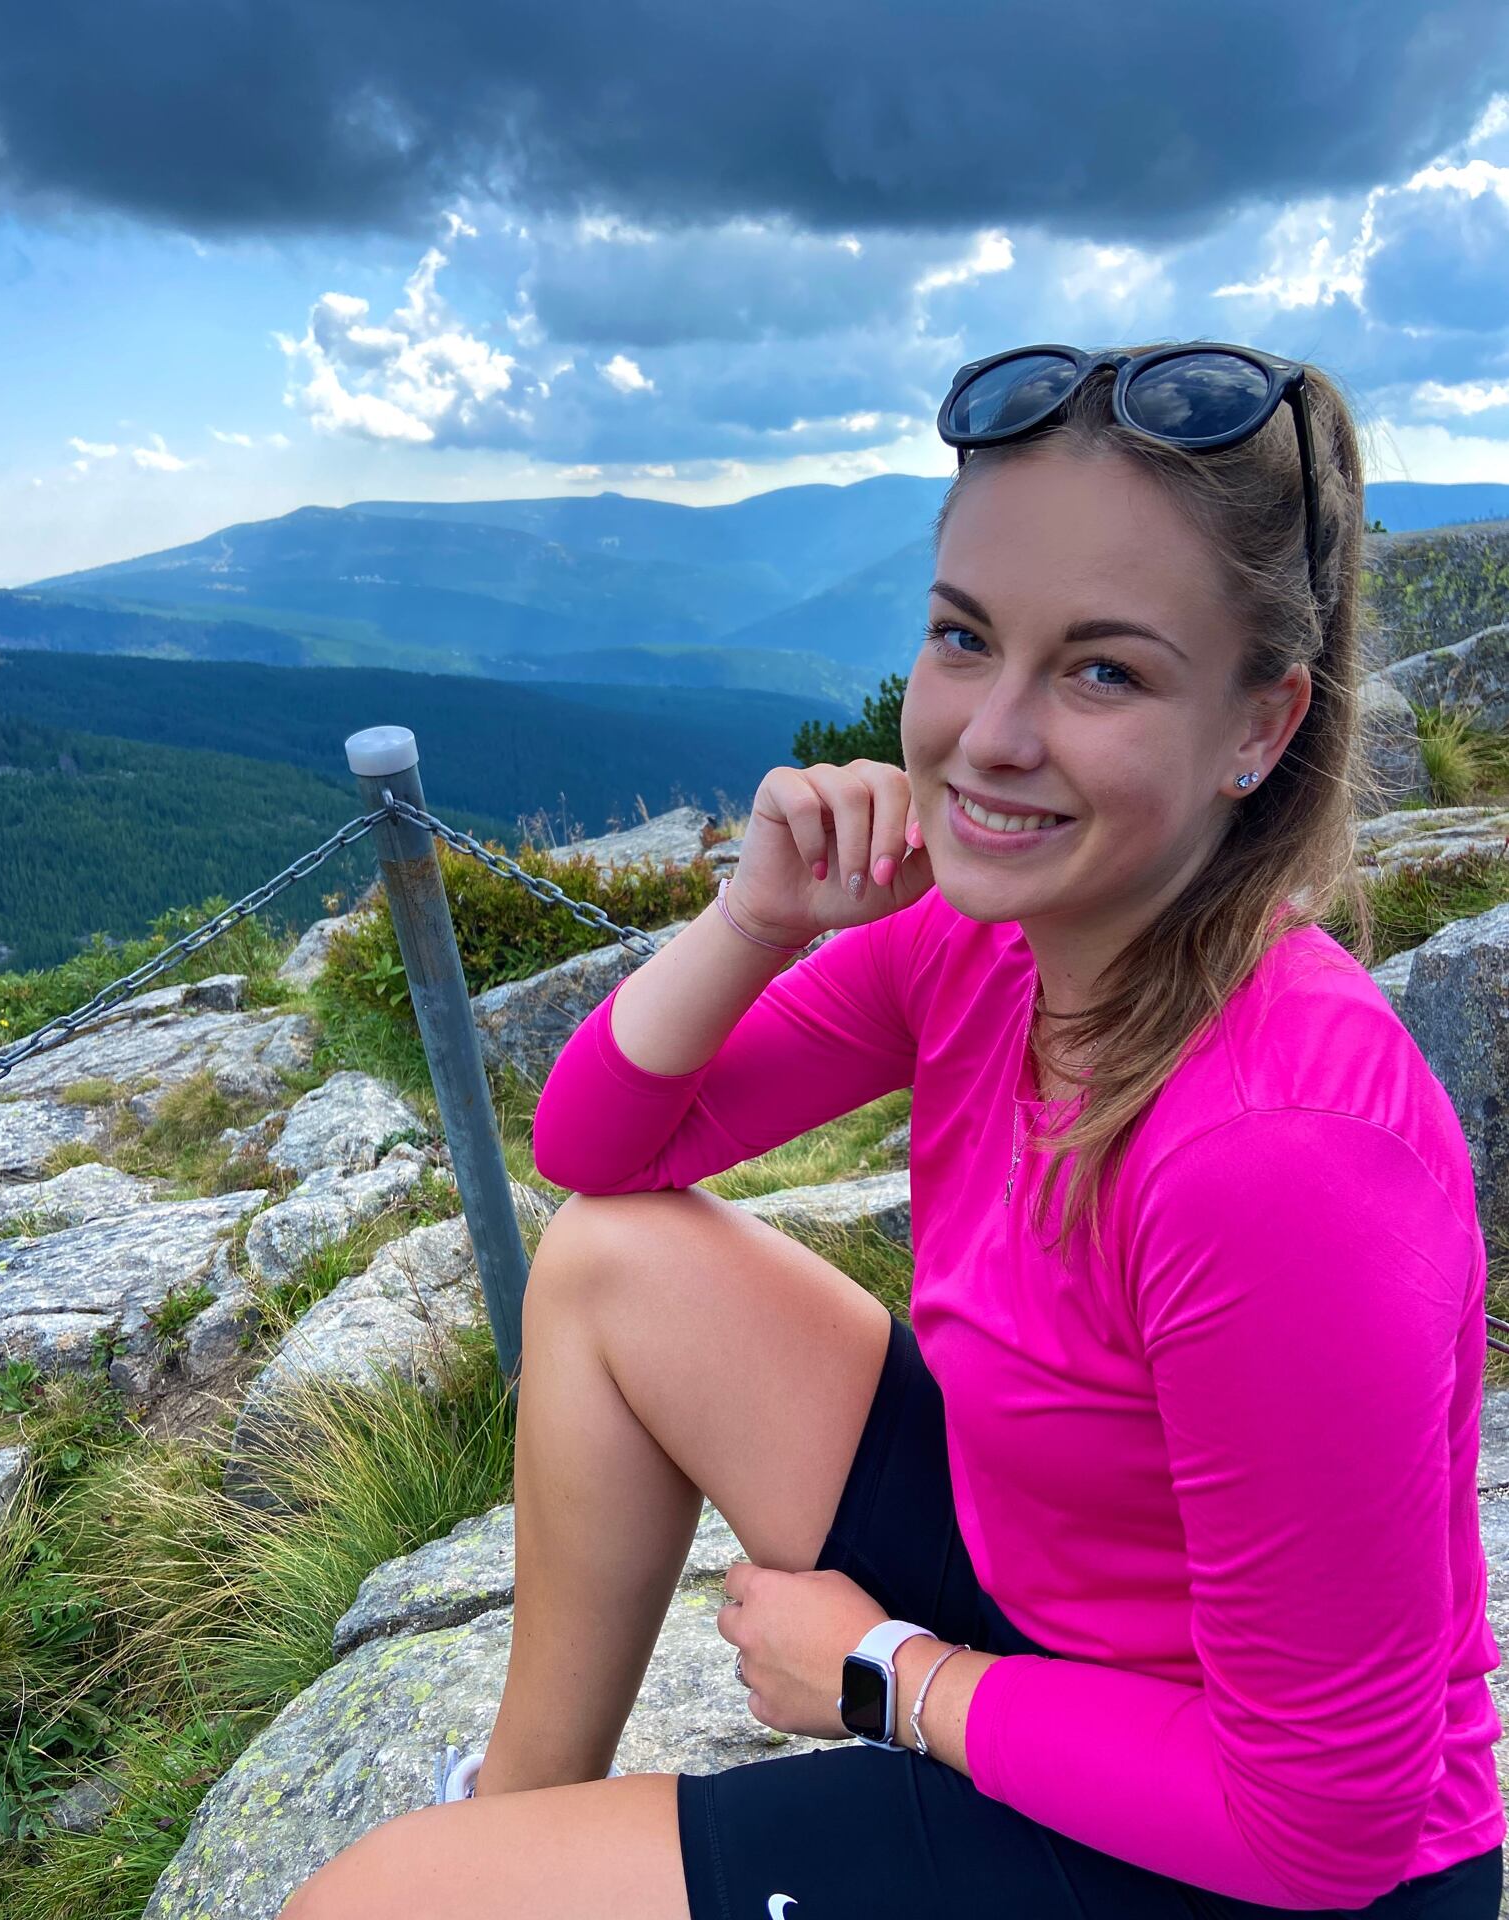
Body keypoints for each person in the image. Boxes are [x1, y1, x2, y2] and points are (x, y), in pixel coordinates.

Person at [280, 342, 1507, 1919]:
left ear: (1259, 728)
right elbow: (599, 1153)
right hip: (1058, 1606)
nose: (989, 735)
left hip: (1245, 1857)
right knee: (607, 1266)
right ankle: (523, 1816)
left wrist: (886, 1676)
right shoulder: (985, 944)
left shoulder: (1282, 1157)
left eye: (1104, 672)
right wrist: (755, 916)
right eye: (964, 637)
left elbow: (1326, 1820)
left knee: (362, 1904)